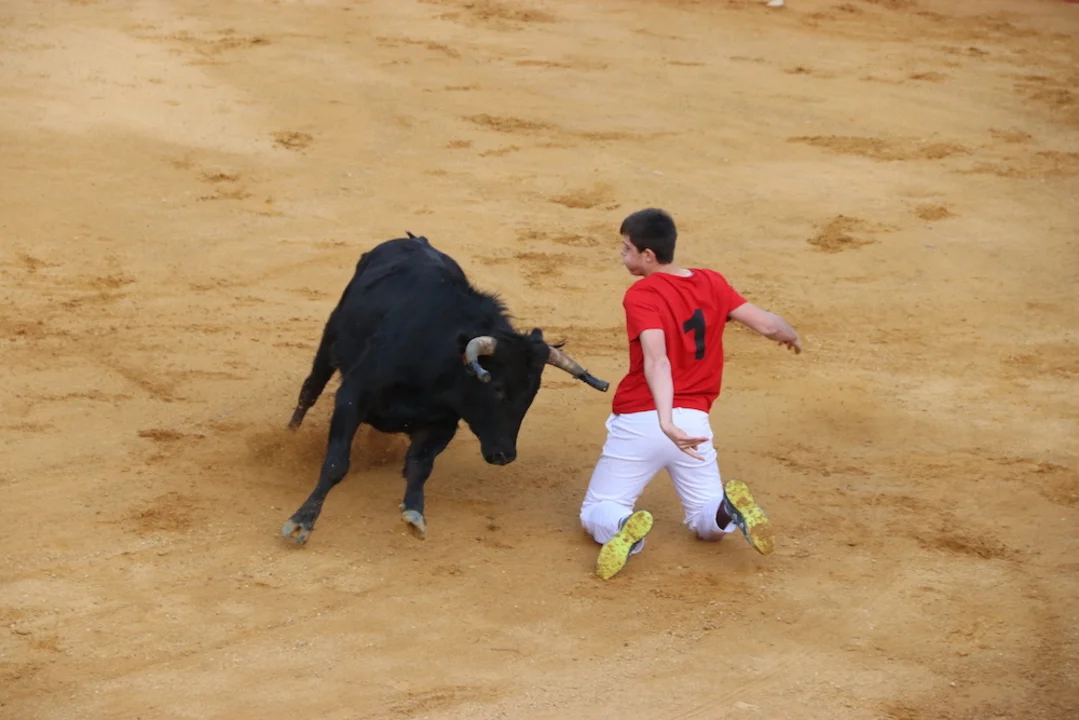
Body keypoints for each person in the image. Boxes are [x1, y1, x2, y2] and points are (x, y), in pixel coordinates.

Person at [580, 208, 803, 580]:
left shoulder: (642, 294)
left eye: (626, 248)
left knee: (597, 509)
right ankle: (727, 512)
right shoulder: (712, 282)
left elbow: (658, 361)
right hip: (696, 423)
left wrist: (665, 420)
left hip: (644, 419)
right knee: (705, 518)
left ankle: (623, 524)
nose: (622, 254)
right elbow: (767, 325)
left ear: (648, 255)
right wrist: (790, 334)